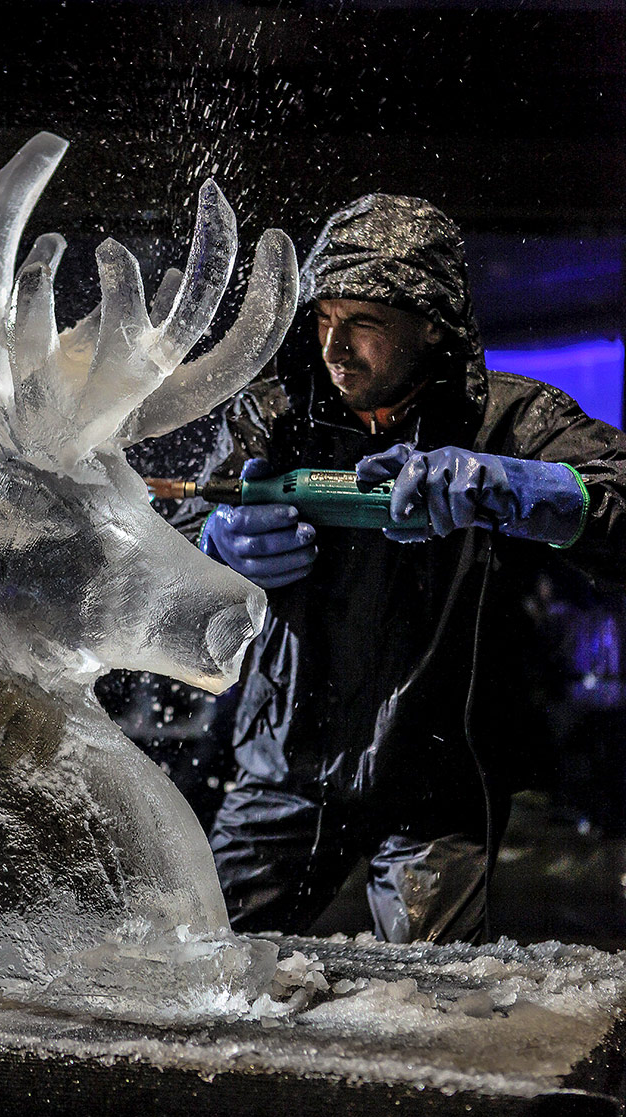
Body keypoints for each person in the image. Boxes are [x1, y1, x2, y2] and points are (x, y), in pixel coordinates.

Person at [187, 193, 626, 944]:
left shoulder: (514, 423)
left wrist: (526, 490)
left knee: (436, 1006)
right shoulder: (273, 416)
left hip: (437, 784)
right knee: (197, 969)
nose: (334, 346)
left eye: (364, 324)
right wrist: (215, 545)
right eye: (325, 317)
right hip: (283, 766)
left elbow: (620, 501)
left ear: (431, 325)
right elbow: (185, 519)